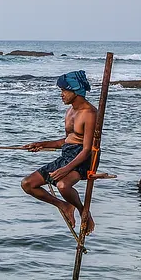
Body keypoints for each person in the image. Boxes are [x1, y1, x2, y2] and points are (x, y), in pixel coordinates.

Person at [21, 71, 96, 235]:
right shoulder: (70, 111)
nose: (61, 95)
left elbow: (87, 149)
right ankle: (63, 205)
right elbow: (67, 140)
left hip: (82, 160)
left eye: (64, 91)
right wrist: (42, 144)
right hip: (66, 156)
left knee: (62, 185)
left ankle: (84, 211)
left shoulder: (89, 114)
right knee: (27, 184)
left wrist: (66, 169)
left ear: (75, 91)